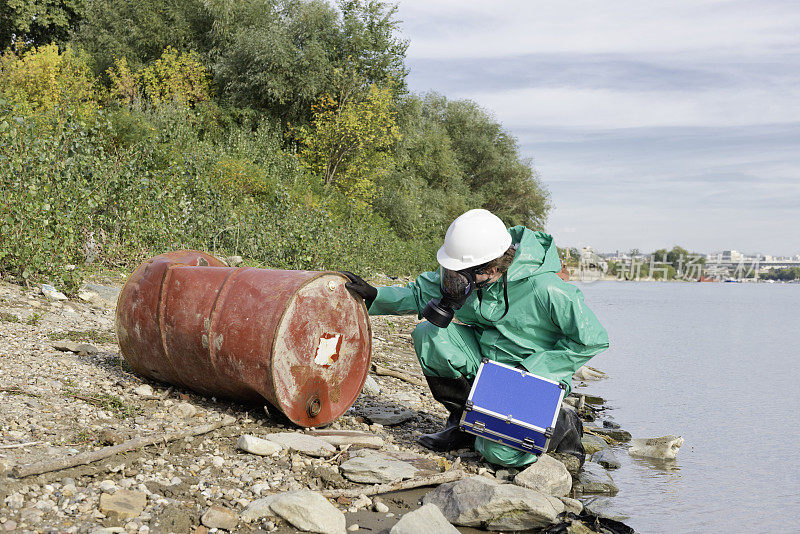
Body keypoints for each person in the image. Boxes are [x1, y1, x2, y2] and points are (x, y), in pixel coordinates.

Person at [342, 209, 609, 467]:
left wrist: (534, 368)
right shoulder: (469, 273)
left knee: (497, 452)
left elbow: (592, 340)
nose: (451, 281)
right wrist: (375, 296)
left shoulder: (547, 289)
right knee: (430, 333)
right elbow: (419, 293)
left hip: (533, 376)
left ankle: (563, 424)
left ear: (491, 270)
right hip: (485, 359)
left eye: (458, 276)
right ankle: (463, 423)